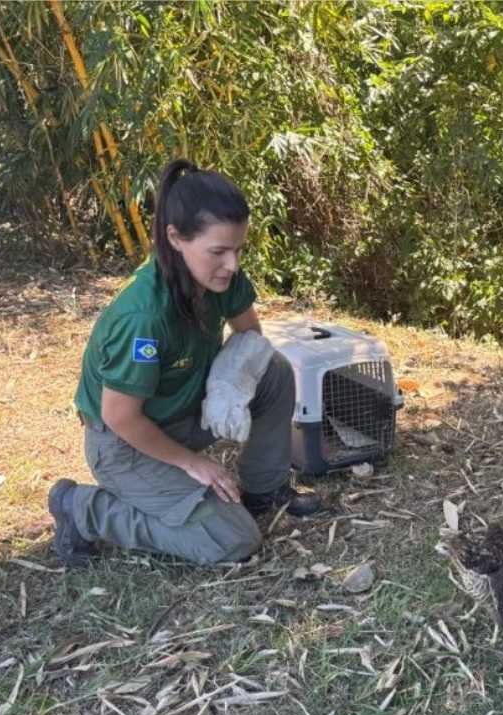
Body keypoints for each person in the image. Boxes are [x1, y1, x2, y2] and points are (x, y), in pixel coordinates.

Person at [47, 159, 320, 567]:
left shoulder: (221, 279)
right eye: (219, 251)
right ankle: (82, 509)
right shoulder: (142, 317)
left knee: (274, 371)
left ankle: (265, 488)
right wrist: (192, 463)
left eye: (238, 249)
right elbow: (120, 417)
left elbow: (251, 344)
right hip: (126, 444)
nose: (232, 264)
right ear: (175, 238)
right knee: (233, 541)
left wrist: (229, 385)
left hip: (187, 408)